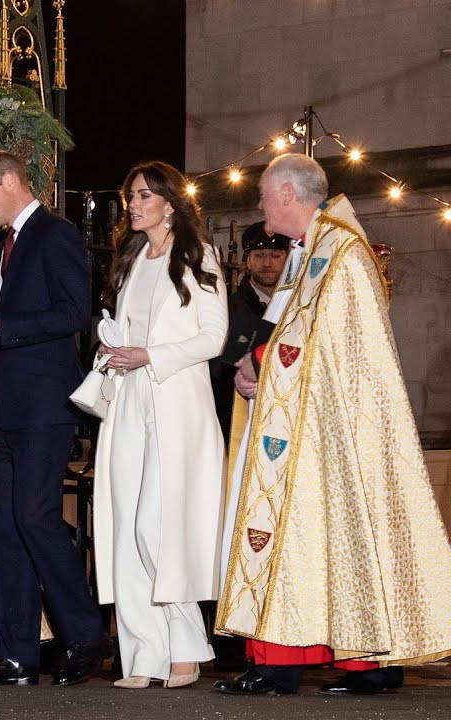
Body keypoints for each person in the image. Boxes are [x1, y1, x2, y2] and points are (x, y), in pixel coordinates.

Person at [213, 153, 451, 696]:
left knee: (342, 533)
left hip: (336, 430)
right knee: (306, 538)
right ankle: (281, 659)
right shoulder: (310, 250)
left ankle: (365, 663)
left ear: (290, 196)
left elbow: (337, 344)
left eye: (264, 195)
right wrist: (258, 363)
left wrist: (264, 364)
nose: (259, 205)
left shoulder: (340, 252)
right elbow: (294, 331)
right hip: (302, 423)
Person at [0, 150, 102, 687]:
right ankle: (16, 655)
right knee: (10, 530)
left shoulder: (54, 233)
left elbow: (73, 312)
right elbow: (9, 326)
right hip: (7, 405)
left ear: (11, 182)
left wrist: (2, 324)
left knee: (37, 518)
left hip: (45, 406)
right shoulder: (4, 245)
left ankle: (84, 635)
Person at [91, 162, 227, 689]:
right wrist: (114, 349)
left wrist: (149, 354)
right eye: (131, 195)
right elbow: (130, 329)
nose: (133, 203)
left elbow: (213, 338)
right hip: (128, 401)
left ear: (170, 203)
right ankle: (144, 654)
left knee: (156, 527)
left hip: (175, 403)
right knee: (125, 528)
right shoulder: (131, 261)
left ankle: (188, 646)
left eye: (143, 195)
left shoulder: (196, 256)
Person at [210, 222, 289, 442]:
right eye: (259, 255)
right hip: (238, 414)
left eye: (275, 255)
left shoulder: (294, 307)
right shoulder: (229, 307)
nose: (267, 263)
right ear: (247, 261)